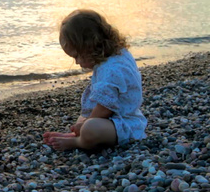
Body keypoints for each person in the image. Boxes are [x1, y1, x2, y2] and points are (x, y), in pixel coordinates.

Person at [43, 9, 147, 151]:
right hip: (114, 120)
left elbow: (105, 109)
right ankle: (76, 135)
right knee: (83, 119)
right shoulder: (118, 54)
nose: (77, 62)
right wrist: (84, 121)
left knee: (90, 127)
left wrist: (86, 123)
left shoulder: (111, 70)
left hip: (125, 125)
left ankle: (78, 142)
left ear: (90, 47)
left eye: (77, 56)